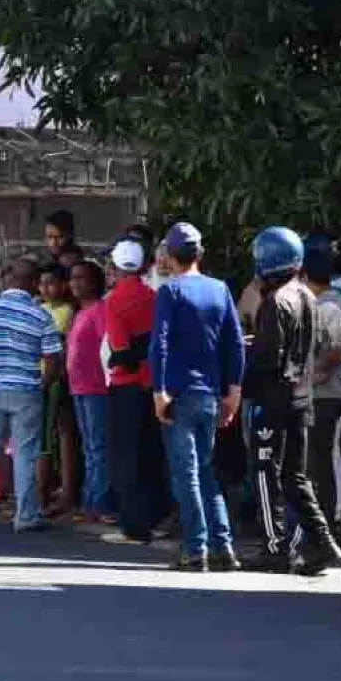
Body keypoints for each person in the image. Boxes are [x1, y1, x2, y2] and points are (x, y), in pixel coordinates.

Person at [242, 227, 341, 574]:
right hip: (303, 398)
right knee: (296, 476)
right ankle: (323, 540)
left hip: (273, 400)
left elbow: (268, 358)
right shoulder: (307, 296)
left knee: (265, 472)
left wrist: (248, 351)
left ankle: (275, 547)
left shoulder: (275, 302)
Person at [146, 224, 245, 571]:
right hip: (211, 395)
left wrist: (159, 391)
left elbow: (159, 343)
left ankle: (196, 547)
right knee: (206, 471)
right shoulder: (220, 290)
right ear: (199, 254)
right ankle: (223, 546)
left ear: (170, 257)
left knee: (185, 473)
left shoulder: (170, 292)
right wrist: (233, 392)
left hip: (179, 393)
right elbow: (234, 344)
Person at [0, 257, 65, 532]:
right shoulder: (40, 315)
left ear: (8, 280)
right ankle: (26, 516)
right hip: (25, 390)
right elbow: (54, 358)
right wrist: (41, 385)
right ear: (33, 283)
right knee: (25, 454)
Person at [104, 238, 169, 544]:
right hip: (153, 385)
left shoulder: (114, 301)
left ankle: (133, 526)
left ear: (115, 268)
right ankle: (153, 518)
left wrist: (122, 358)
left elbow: (121, 349)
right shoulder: (154, 297)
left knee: (125, 457)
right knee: (150, 454)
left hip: (126, 386)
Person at [304, 238, 341, 532]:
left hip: (330, 392)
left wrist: (322, 367)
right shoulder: (325, 302)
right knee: (321, 454)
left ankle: (330, 516)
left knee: (323, 455)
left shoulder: (329, 305)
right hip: (326, 392)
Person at [67, 259, 113, 521]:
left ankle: (99, 504)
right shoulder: (80, 312)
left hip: (96, 388)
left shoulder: (99, 310)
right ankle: (91, 501)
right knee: (88, 446)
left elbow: (107, 348)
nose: (75, 283)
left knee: (98, 446)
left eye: (81, 278)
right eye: (73, 278)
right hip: (79, 388)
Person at [39, 263, 79, 515]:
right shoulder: (39, 308)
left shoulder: (68, 311)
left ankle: (56, 491)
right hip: (38, 376)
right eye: (42, 283)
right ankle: (42, 491)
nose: (45, 288)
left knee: (55, 436)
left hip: (56, 380)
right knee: (45, 437)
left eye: (50, 282)